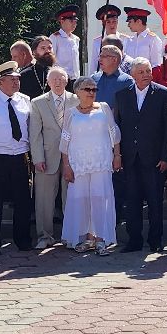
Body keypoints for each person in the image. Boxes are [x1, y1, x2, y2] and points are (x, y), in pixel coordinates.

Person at [0, 61, 35, 256]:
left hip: (20, 156)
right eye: (12, 80)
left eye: (17, 79)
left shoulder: (25, 100)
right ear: (0, 82)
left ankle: (23, 240)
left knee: (23, 201)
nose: (16, 83)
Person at [113, 58, 167, 252]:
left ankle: (155, 241)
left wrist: (165, 157)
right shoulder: (122, 96)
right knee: (132, 201)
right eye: (142, 72)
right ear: (133, 75)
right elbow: (117, 128)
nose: (146, 75)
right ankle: (134, 240)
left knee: (155, 202)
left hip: (154, 159)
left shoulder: (163, 94)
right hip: (130, 159)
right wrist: (118, 155)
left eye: (148, 71)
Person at [60, 76, 121, 253]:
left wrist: (117, 155)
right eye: (88, 89)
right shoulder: (71, 113)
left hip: (101, 162)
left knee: (100, 198)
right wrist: (66, 166)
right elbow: (65, 142)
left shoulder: (104, 108)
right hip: (78, 163)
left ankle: (101, 238)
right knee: (81, 200)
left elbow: (114, 133)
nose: (92, 93)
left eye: (94, 89)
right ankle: (87, 238)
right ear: (77, 91)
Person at [29, 66, 74, 248]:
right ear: (47, 82)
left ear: (67, 81)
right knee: (44, 199)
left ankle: (70, 235)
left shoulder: (76, 99)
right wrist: (37, 157)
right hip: (47, 156)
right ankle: (44, 236)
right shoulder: (38, 102)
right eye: (54, 79)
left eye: (61, 78)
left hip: (71, 157)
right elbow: (35, 133)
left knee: (70, 197)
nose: (57, 82)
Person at [92, 42, 133, 107]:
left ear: (114, 60)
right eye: (100, 56)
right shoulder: (94, 78)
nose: (99, 59)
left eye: (103, 56)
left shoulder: (127, 81)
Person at [88, 3, 123, 70]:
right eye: (108, 22)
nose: (112, 25)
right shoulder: (97, 41)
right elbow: (94, 64)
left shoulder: (124, 39)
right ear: (103, 24)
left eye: (114, 21)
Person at [52, 5, 83, 77]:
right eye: (71, 21)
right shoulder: (55, 38)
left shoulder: (75, 39)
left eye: (75, 21)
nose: (74, 24)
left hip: (75, 78)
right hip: (61, 78)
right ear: (62, 21)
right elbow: (52, 61)